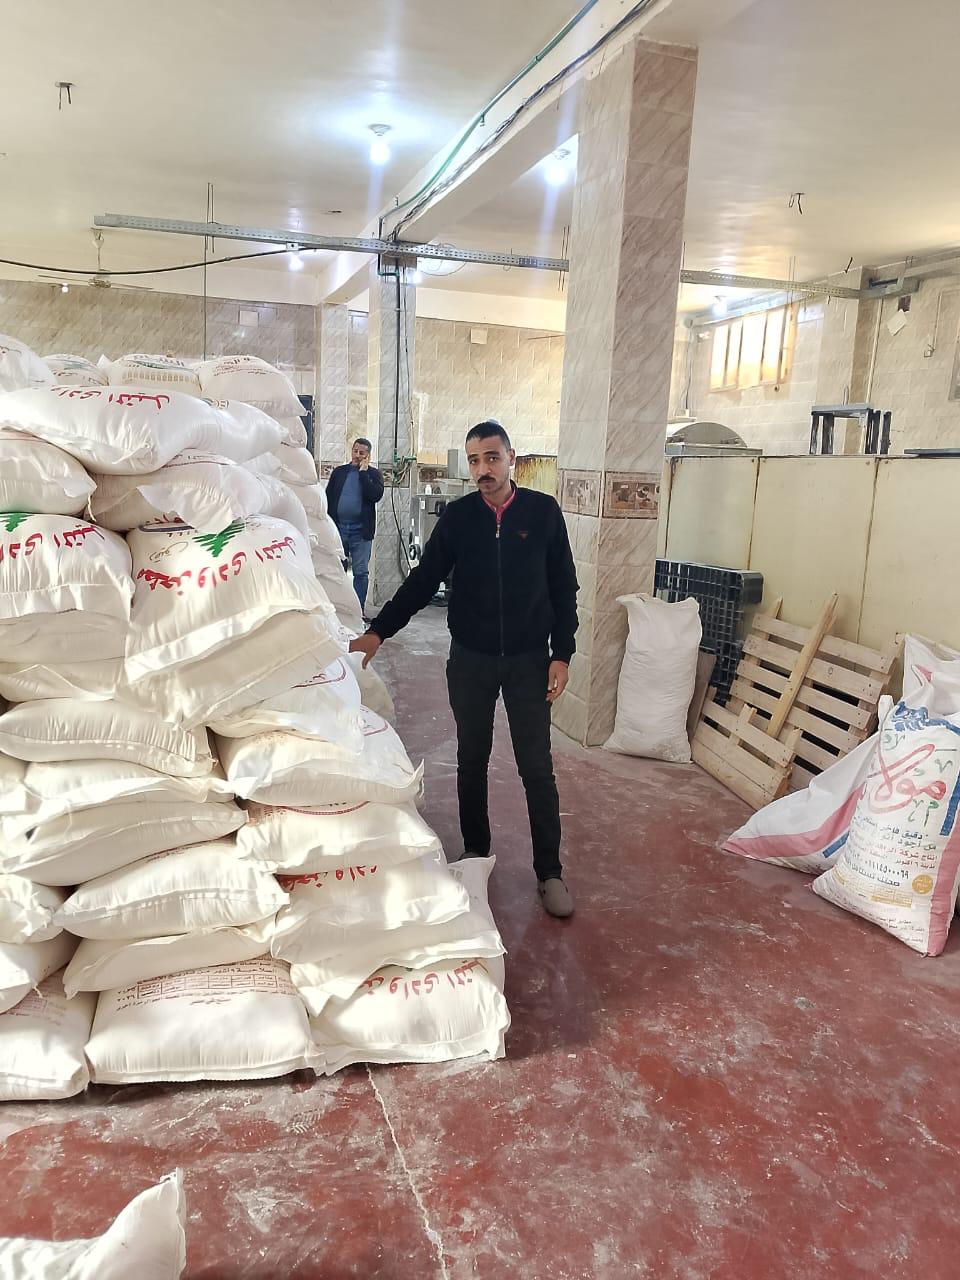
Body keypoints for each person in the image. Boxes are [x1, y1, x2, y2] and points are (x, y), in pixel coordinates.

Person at [350, 421, 579, 918]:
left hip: (528, 661)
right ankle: (476, 853)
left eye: (492, 458)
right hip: (471, 659)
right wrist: (379, 631)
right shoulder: (458, 519)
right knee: (471, 759)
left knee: (535, 767)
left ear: (511, 458)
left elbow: (564, 588)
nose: (483, 469)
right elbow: (422, 581)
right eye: (475, 460)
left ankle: (549, 871)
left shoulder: (542, 513)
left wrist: (562, 653)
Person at [326, 437, 384, 615]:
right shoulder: (339, 473)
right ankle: (338, 609)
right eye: (355, 451)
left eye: (362, 453)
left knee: (360, 572)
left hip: (361, 531)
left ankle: (358, 611)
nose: (357, 455)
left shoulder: (374, 475)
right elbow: (328, 497)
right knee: (337, 569)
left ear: (368, 456)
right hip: (339, 529)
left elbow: (375, 495)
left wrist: (363, 473)